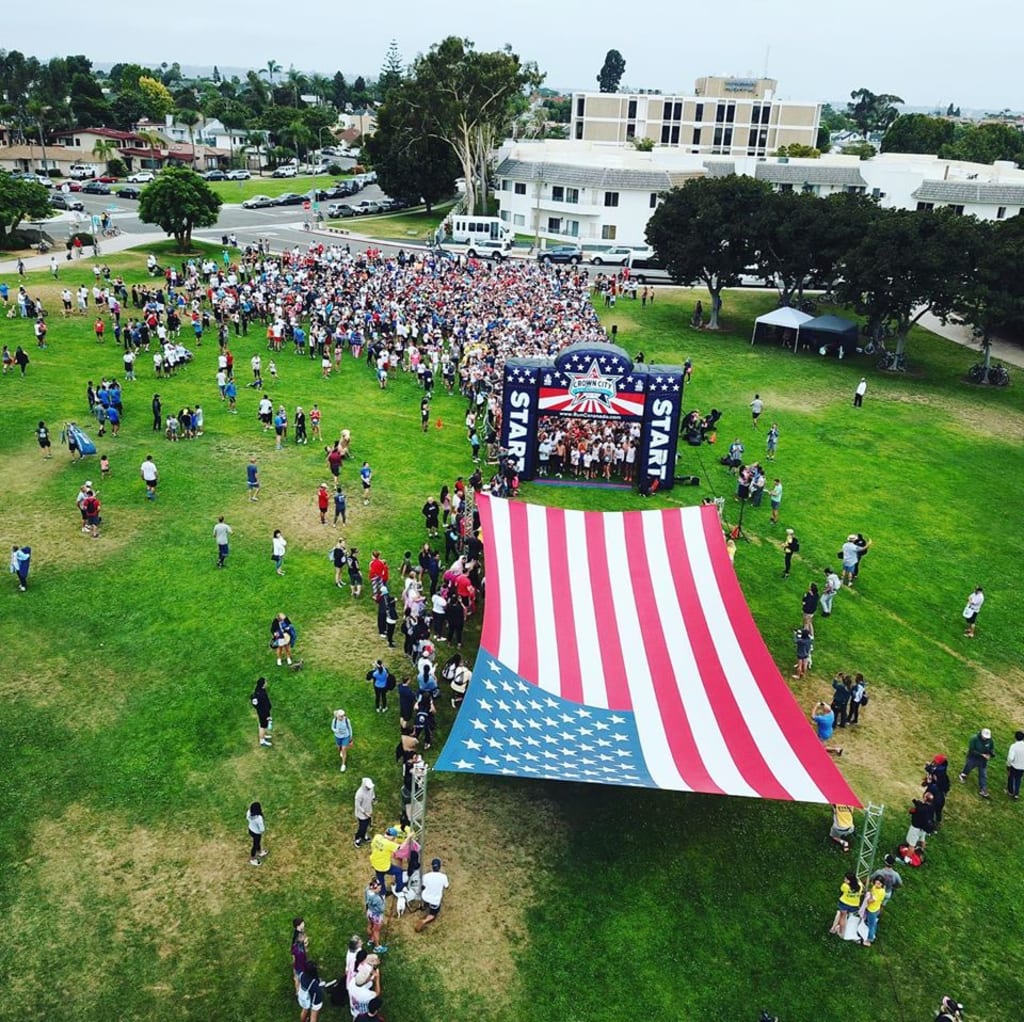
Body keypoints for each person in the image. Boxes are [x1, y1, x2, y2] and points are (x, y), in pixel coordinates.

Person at [415, 857, 450, 932]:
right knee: (433, 914)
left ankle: (425, 905)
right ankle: (424, 921)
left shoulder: (426, 876)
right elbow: (446, 886)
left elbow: (422, 886)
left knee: (425, 892)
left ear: (432, 866)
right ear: (440, 867)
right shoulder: (443, 877)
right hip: (435, 900)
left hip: (425, 897)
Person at [959, 727, 995, 797]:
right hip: (973, 758)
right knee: (968, 767)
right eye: (984, 737)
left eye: (987, 737)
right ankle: (963, 775)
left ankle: (983, 789)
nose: (985, 738)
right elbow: (972, 750)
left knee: (983, 774)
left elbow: (991, 748)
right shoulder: (974, 739)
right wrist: (982, 755)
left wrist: (991, 754)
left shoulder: (990, 741)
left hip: (983, 761)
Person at [368, 826, 404, 895]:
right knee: (399, 872)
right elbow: (400, 848)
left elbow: (372, 845)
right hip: (385, 866)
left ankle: (382, 892)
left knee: (380, 878)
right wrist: (409, 838)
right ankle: (399, 888)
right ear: (392, 837)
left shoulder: (377, 837)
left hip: (375, 863)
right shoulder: (389, 844)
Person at [829, 871, 861, 937]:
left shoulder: (845, 886)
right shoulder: (860, 886)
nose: (844, 880)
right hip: (854, 905)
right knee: (846, 916)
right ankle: (838, 929)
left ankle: (841, 931)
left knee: (842, 917)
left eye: (846, 879)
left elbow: (842, 891)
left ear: (849, 881)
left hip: (844, 903)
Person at [858, 877, 886, 947]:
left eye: (879, 884)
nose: (876, 885)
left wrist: (869, 897)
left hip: (872, 910)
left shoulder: (881, 892)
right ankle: (873, 934)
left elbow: (870, 901)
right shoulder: (875, 887)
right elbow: (871, 891)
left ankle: (869, 940)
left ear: (882, 884)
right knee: (873, 923)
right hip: (873, 908)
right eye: (876, 883)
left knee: (871, 926)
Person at [364, 879, 386, 950]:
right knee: (376, 930)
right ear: (375, 888)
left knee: (370, 925)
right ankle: (377, 947)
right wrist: (383, 901)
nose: (380, 888)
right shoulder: (377, 899)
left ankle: (371, 939)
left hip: (369, 912)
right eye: (379, 888)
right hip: (377, 916)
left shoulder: (367, 890)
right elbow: (381, 909)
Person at [251, 676, 272, 748]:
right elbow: (266, 705)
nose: (266, 683)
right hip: (263, 713)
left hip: (260, 712)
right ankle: (262, 741)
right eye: (265, 682)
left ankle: (263, 736)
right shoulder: (262, 694)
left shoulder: (256, 692)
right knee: (263, 726)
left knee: (262, 725)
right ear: (263, 684)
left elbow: (254, 703)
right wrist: (268, 715)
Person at [354, 777, 375, 847]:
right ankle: (358, 838)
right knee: (362, 827)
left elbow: (372, 794)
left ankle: (364, 835)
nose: (369, 788)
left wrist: (373, 799)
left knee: (367, 824)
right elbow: (357, 805)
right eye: (368, 787)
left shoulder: (371, 788)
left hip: (369, 810)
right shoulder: (359, 794)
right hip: (362, 814)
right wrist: (364, 812)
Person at [290, 918, 309, 994]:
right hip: (299, 958)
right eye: (302, 923)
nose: (303, 924)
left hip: (301, 956)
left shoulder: (299, 932)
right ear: (298, 926)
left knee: (300, 971)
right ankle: (297, 991)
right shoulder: (297, 937)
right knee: (297, 974)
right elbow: (294, 950)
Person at [246, 801, 267, 866]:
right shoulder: (259, 818)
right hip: (256, 833)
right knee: (255, 845)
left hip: (250, 829)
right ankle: (252, 859)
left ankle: (260, 852)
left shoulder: (249, 812)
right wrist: (262, 831)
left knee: (257, 843)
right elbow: (262, 829)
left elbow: (247, 818)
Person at [1007, 730, 1024, 801]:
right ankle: (1016, 794)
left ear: (1015, 737)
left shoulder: (1013, 746)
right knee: (1018, 780)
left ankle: (1010, 792)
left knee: (1011, 778)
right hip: (1022, 767)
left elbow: (1010, 758)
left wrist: (1008, 765)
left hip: (1014, 766)